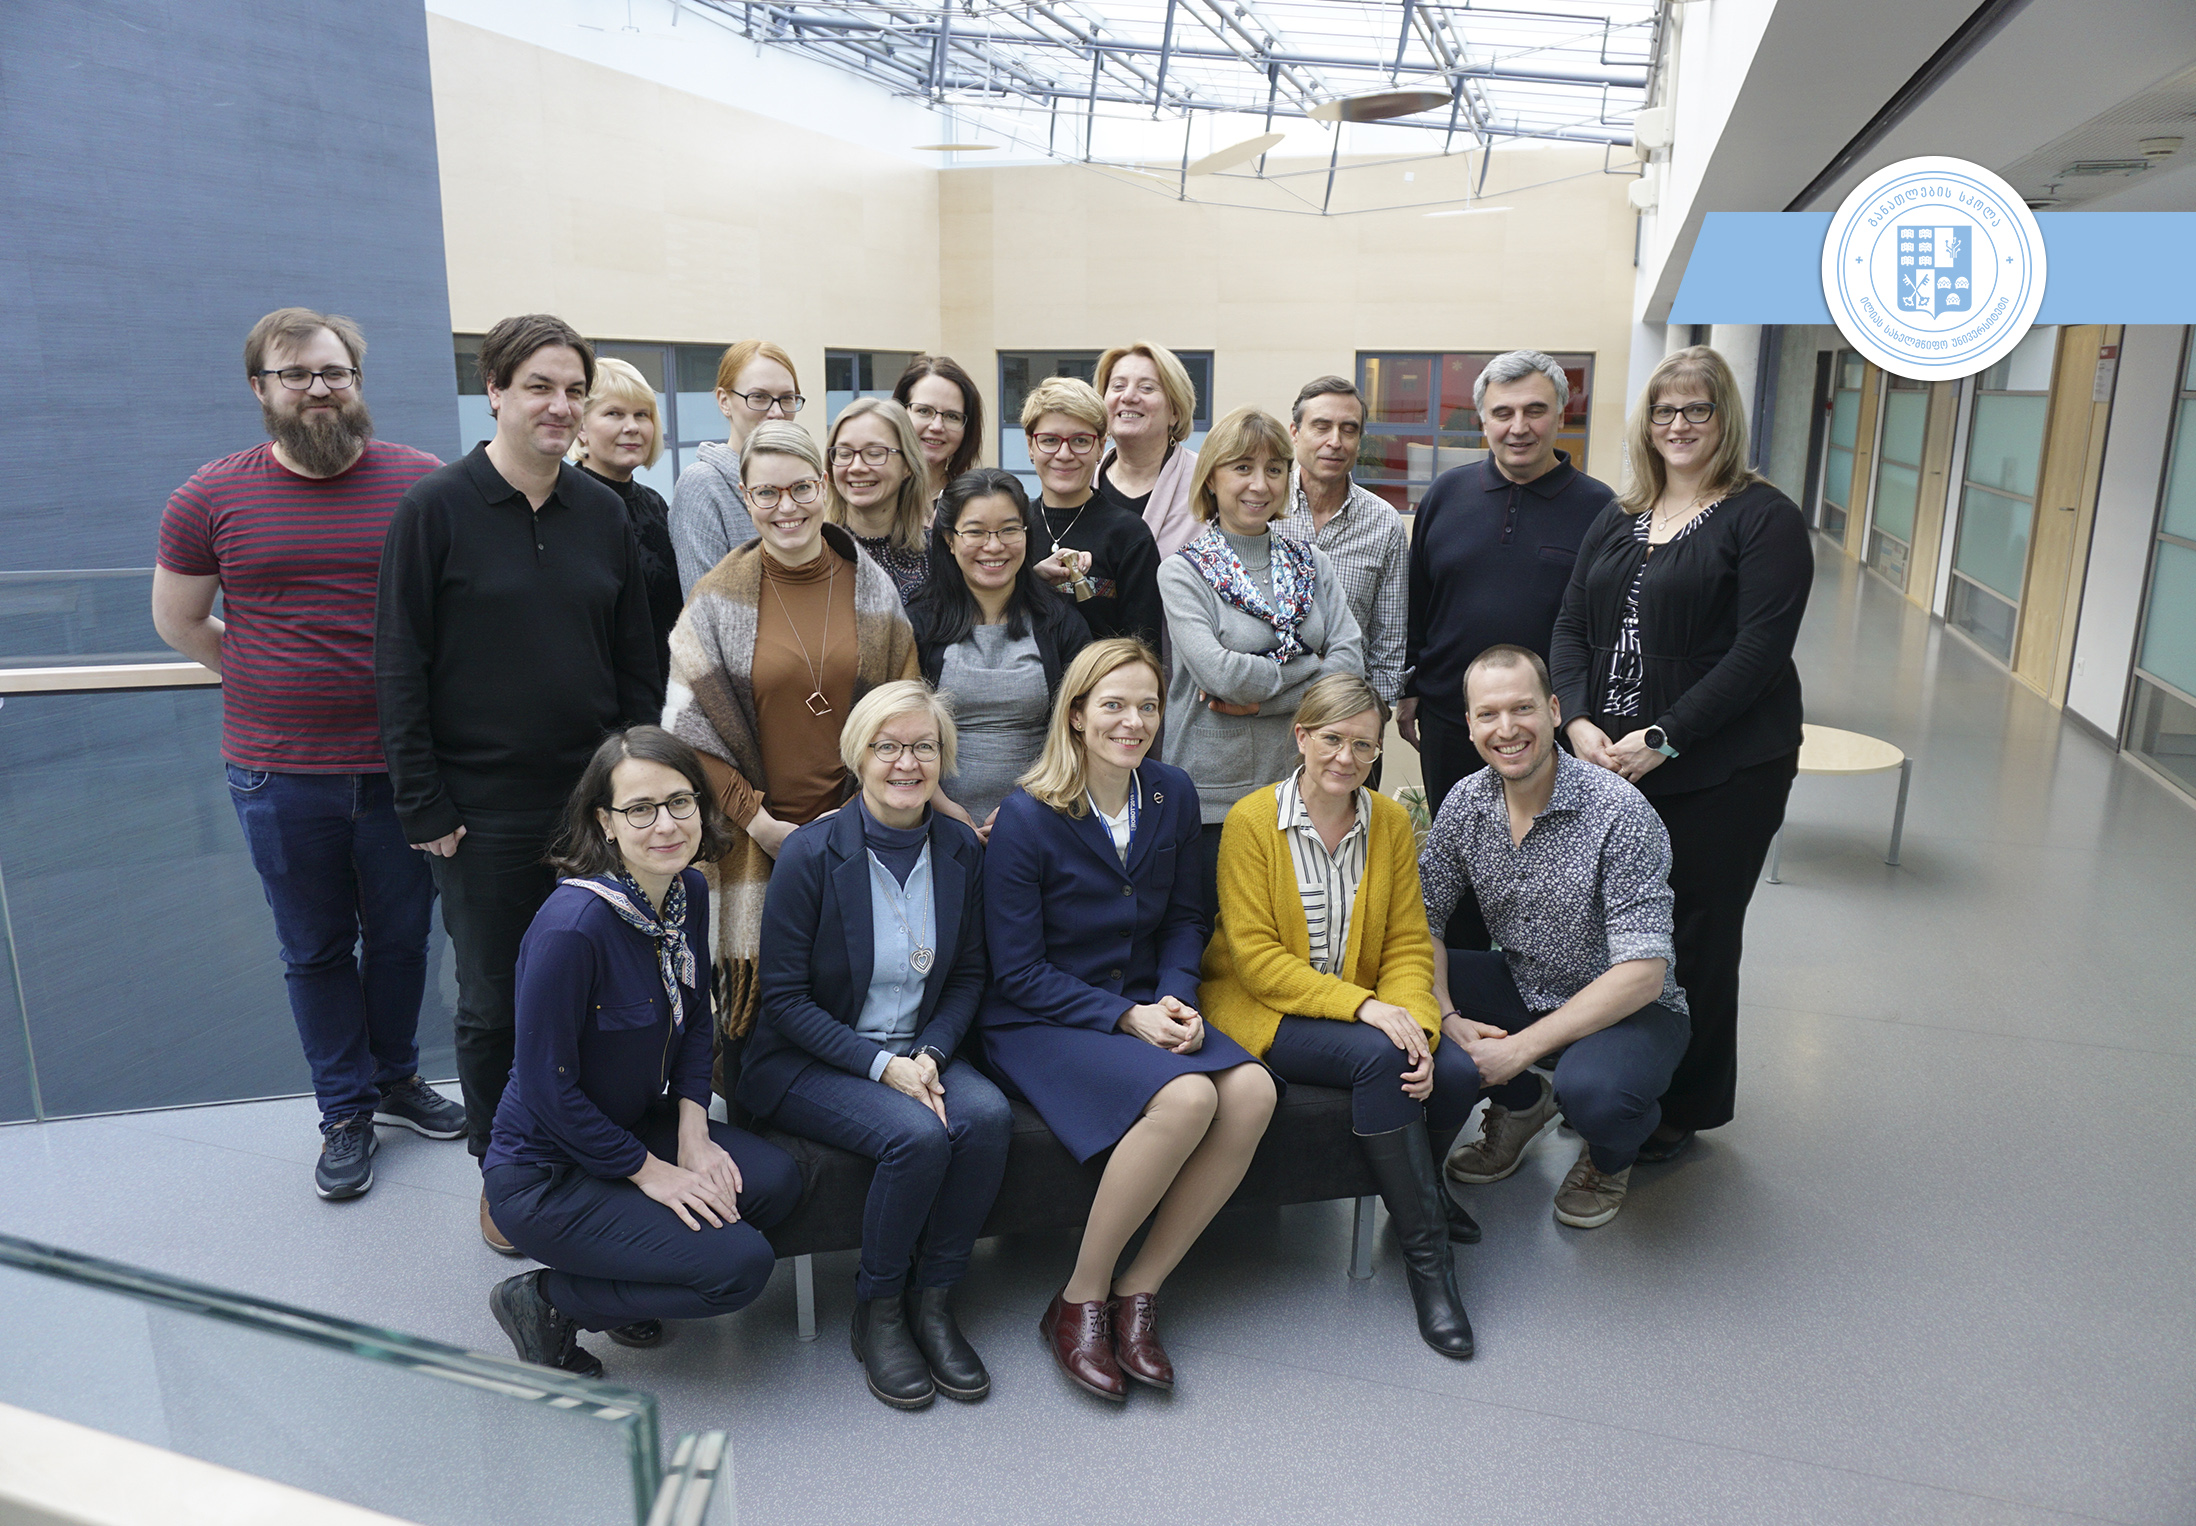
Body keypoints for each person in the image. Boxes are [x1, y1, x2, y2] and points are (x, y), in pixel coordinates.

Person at [153, 306, 462, 1201]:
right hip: (277, 773)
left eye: (335, 372)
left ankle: (396, 1079)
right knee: (316, 949)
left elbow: (456, 616)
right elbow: (179, 620)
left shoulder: (421, 482)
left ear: (357, 381)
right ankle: (345, 1112)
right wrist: (262, 674)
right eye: (296, 374)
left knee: (403, 939)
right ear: (261, 388)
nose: (319, 389)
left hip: (404, 770)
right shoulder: (210, 496)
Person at [376, 313, 663, 1252]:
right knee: (496, 1003)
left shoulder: (603, 513)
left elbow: (635, 665)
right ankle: (507, 1172)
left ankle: (597, 1156)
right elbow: (400, 665)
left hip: (593, 806)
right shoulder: (435, 509)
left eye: (574, 389)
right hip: (481, 812)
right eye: (539, 386)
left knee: (602, 993)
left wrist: (634, 790)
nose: (560, 405)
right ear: (494, 391)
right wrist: (424, 802)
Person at [979, 639, 1277, 1402]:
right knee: (1189, 1097)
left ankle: (1139, 1289)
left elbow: (1185, 918)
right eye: (1113, 705)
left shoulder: (1171, 792)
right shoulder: (1025, 816)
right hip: (1041, 1018)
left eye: (1147, 705)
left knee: (1254, 1092)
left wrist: (1176, 998)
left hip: (1146, 999)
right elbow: (1017, 973)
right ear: (1076, 716)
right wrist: (1127, 1018)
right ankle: (1078, 1298)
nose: (1133, 722)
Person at [1550, 345, 1812, 1162]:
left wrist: (1667, 738)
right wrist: (1576, 721)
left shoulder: (1762, 517)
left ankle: (1682, 1103)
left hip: (1720, 770)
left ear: (1725, 417)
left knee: (1694, 935)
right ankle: (1613, 1078)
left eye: (1698, 409)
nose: (1679, 424)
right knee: (1609, 932)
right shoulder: (1620, 513)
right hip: (1610, 762)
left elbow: (1759, 651)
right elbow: (1570, 625)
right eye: (1665, 410)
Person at [484, 727, 800, 1376]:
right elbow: (546, 1091)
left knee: (774, 1184)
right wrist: (651, 1172)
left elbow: (696, 1022)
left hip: (630, 1123)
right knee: (740, 1269)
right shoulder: (572, 928)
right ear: (604, 822)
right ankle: (550, 1301)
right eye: (640, 809)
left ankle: (621, 1269)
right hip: (548, 1171)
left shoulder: (688, 893)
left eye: (679, 802)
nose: (666, 825)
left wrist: (693, 1135)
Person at [744, 682, 1010, 1410]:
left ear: (943, 759)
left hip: (919, 1049)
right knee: (916, 1138)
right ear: (857, 756)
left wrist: (930, 1055)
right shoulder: (810, 853)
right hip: (809, 1059)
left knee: (987, 1119)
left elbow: (970, 975)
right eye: (887, 746)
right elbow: (785, 1001)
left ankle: (935, 1300)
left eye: (924, 746)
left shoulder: (960, 849)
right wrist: (884, 1067)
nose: (906, 763)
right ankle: (880, 1309)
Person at [1199, 674, 1476, 1358]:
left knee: (1457, 1071)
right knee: (1381, 1058)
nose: (1346, 758)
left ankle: (1422, 1188)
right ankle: (1429, 1264)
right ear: (1301, 736)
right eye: (1331, 739)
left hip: (1360, 1009)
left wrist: (1420, 1027)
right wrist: (1368, 1009)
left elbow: (1407, 944)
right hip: (1263, 1007)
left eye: (1363, 746)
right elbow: (1258, 961)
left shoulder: (1389, 824)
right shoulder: (1252, 821)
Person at [662, 420, 920, 1062]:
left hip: (859, 831)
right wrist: (761, 824)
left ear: (824, 485)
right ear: (746, 498)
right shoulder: (716, 599)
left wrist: (856, 815)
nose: (787, 508)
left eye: (801, 488)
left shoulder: (872, 587)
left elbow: (904, 712)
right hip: (758, 841)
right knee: (760, 1031)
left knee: (852, 1006)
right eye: (767, 493)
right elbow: (689, 732)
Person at [1420, 645, 1693, 1230]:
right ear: (1469, 725)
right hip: (1527, 981)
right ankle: (1523, 1105)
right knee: (1401, 995)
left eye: (1522, 708)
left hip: (1630, 1008)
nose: (1506, 729)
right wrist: (1444, 1013)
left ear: (1553, 710)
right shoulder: (1466, 803)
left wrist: (1518, 1050)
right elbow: (1423, 922)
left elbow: (1643, 974)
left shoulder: (1617, 811)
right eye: (1488, 714)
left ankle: (1609, 1156)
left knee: (1594, 1093)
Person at [1400, 350, 1615, 948]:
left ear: (1562, 415)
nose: (1518, 427)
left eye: (1534, 410)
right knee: (1459, 869)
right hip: (1454, 722)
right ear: (1483, 419)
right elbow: (1419, 598)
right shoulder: (1446, 494)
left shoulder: (1601, 510)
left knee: (1555, 877)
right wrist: (1412, 687)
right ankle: (1466, 986)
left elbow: (1602, 627)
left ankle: (1547, 985)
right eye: (1503, 413)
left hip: (1548, 727)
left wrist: (1580, 714)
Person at [1158, 405, 1364, 924]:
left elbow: (1349, 667)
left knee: (1296, 937)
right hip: (1215, 799)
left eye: (1274, 469)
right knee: (1220, 943)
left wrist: (1262, 703)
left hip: (1303, 787)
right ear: (1211, 478)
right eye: (1242, 467)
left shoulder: (1311, 563)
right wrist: (1310, 665)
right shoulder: (1183, 573)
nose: (1260, 484)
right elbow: (1222, 675)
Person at [907, 469, 1092, 838]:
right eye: (976, 532)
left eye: (1009, 530)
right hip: (931, 823)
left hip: (1044, 821)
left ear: (1026, 534)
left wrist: (1029, 805)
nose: (994, 546)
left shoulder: (1060, 623)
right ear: (949, 539)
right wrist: (947, 812)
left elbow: (1084, 732)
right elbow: (897, 729)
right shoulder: (919, 623)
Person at [1274, 375, 1409, 781]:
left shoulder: (1383, 522)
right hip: (1265, 720)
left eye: (1349, 430)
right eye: (1322, 426)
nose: (1335, 441)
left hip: (1350, 733)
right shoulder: (1262, 506)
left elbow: (1389, 643)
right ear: (1295, 432)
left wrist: (1370, 721)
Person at [1018, 375, 1164, 649]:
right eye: (1049, 440)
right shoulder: (1010, 529)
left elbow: (1143, 648)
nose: (1064, 454)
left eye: (1080, 441)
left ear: (1100, 446)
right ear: (1030, 446)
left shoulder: (1129, 535)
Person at [572, 357, 682, 690]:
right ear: (581, 427)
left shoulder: (655, 504)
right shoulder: (563, 507)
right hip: (602, 699)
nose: (632, 426)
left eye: (642, 415)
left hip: (668, 692)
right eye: (614, 413)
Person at [668, 339, 802, 594]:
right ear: (724, 401)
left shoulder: (805, 481)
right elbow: (705, 607)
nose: (776, 412)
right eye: (759, 397)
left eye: (787, 398)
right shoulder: (703, 486)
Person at [1093, 341, 1201, 558]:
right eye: (1118, 386)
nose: (1128, 396)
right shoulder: (1081, 478)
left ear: (1175, 412)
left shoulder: (1206, 482)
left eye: (1147, 388)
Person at [826, 397, 931, 605]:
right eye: (844, 454)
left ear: (907, 466)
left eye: (874, 453)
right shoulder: (813, 552)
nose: (856, 467)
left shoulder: (940, 555)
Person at [893, 354, 984, 504]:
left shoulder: (973, 505)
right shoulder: (875, 496)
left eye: (952, 416)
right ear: (900, 411)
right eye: (924, 411)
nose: (937, 426)